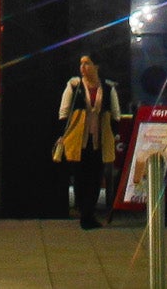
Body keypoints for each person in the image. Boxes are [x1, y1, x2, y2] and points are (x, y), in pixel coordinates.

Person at [57, 53, 123, 228]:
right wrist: (65, 134)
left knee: (95, 178)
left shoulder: (108, 88)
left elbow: (116, 115)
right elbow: (63, 113)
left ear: (96, 66)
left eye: (87, 63)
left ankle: (88, 215)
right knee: (79, 178)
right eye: (81, 63)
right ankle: (85, 213)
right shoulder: (74, 86)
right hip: (78, 141)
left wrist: (111, 133)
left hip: (99, 141)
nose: (83, 67)